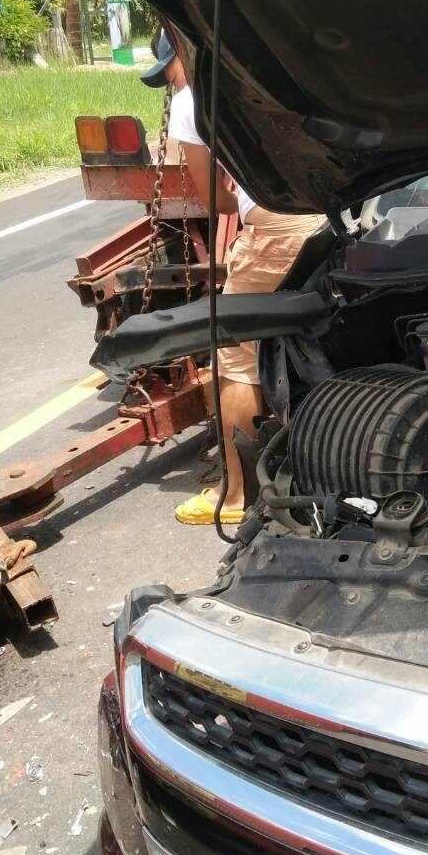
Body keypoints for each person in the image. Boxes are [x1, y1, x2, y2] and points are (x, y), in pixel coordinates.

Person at [140, 29, 325, 525]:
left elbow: (215, 200)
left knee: (236, 361)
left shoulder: (191, 99)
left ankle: (239, 495)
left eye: (169, 72)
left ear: (181, 54)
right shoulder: (280, 71)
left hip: (276, 230)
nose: (171, 82)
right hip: (339, 219)